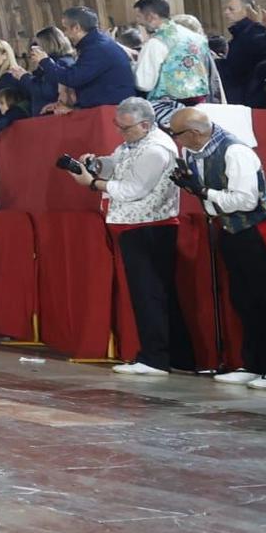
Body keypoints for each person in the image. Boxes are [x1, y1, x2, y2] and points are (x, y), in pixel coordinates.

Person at [170, 108, 266, 390]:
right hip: (228, 230)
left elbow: (246, 200)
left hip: (255, 230)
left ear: (193, 133)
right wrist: (196, 190)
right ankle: (254, 364)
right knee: (243, 300)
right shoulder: (194, 153)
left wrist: (203, 192)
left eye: (176, 134)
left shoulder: (235, 151)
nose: (175, 140)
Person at [63, 97, 192, 376]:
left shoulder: (155, 150)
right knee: (155, 293)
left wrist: (93, 184)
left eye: (126, 128)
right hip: (138, 224)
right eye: (118, 127)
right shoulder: (135, 143)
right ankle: (179, 358)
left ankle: (154, 359)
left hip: (151, 225)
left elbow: (133, 189)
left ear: (146, 124)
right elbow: (118, 163)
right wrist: (97, 164)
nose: (121, 133)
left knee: (149, 294)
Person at [37, 6, 139, 109]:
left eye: (66, 28)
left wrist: (45, 61)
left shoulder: (97, 48)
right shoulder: (95, 44)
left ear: (76, 28)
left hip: (112, 111)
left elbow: (73, 78)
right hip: (107, 108)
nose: (65, 34)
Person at [131, 0, 211, 105]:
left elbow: (144, 83)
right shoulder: (196, 37)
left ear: (150, 17)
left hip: (168, 108)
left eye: (139, 16)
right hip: (199, 105)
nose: (138, 22)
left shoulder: (156, 42)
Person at [220, 0, 266, 99]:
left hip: (248, 93)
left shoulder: (253, 33)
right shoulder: (241, 33)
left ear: (247, 11)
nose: (226, 12)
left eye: (231, 9)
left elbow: (239, 65)